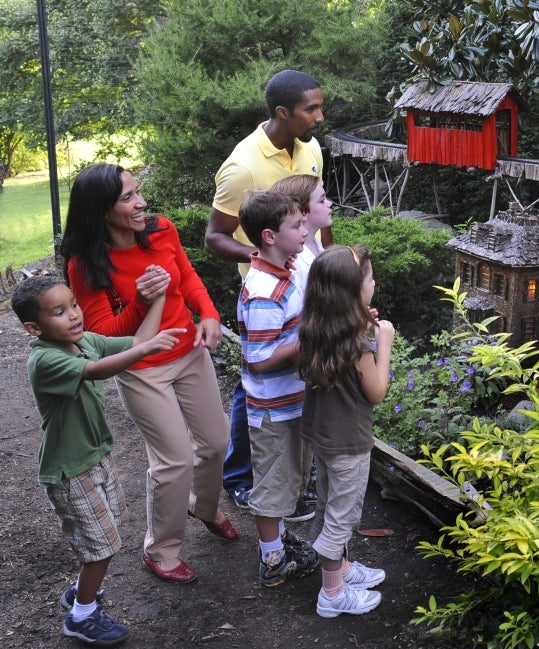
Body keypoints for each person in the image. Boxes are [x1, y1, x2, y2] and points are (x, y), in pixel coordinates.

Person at [61, 163, 237, 585]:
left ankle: (205, 507)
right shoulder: (85, 265)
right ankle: (161, 550)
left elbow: (187, 277)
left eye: (138, 192)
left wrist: (209, 313)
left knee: (216, 442)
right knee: (174, 459)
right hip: (142, 369)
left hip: (189, 352)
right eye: (127, 198)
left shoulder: (161, 230)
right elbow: (104, 338)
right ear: (101, 210)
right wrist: (141, 301)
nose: (141, 203)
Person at [12, 274, 182, 645]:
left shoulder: (84, 341)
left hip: (96, 457)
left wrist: (157, 301)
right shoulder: (45, 360)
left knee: (108, 533)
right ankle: (81, 615)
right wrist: (147, 348)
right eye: (59, 312)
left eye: (73, 305)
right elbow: (101, 369)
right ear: (33, 327)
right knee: (100, 547)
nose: (74, 315)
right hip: (70, 470)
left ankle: (79, 592)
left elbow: (137, 342)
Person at [206, 69, 327, 518]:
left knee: (289, 381)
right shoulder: (242, 167)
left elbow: (318, 218)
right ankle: (239, 477)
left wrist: (328, 270)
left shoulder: (311, 148)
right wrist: (266, 255)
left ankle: (294, 471)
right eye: (310, 109)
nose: (319, 116)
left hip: (306, 282)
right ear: (283, 112)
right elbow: (214, 237)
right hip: (267, 290)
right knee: (254, 381)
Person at [299, 244, 394, 618]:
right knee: (342, 516)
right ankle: (332, 593)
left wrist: (359, 322)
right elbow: (377, 392)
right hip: (350, 444)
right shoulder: (357, 346)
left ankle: (340, 569)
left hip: (322, 437)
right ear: (355, 291)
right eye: (369, 277)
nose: (374, 281)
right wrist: (382, 345)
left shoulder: (314, 328)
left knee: (327, 503)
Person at [236, 189, 320, 587]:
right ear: (269, 236)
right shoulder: (265, 291)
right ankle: (272, 559)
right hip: (273, 407)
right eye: (297, 225)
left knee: (290, 476)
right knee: (273, 482)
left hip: (291, 401)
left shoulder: (285, 274)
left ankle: (279, 540)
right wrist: (312, 338)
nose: (306, 230)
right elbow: (260, 357)